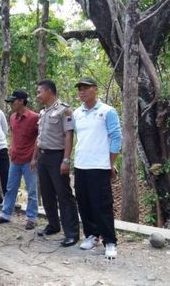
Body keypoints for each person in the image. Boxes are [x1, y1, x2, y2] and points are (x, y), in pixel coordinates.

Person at [72, 77, 122, 259]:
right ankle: (92, 236)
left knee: (102, 205)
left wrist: (110, 163)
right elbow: (80, 136)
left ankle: (110, 241)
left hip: (99, 166)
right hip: (80, 165)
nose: (81, 91)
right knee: (84, 203)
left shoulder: (107, 111)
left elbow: (116, 137)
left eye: (85, 88)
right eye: (79, 88)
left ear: (95, 89)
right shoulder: (77, 113)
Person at [31, 80, 80, 247]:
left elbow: (68, 135)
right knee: (46, 193)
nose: (37, 95)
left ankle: (72, 233)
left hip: (57, 157)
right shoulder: (43, 112)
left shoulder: (64, 110)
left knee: (64, 195)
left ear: (49, 92)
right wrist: (35, 158)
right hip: (43, 157)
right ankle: (53, 225)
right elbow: (39, 138)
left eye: (39, 92)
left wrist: (66, 159)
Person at [0, 90, 39, 229]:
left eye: (13, 101)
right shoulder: (12, 117)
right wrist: (12, 148)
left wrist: (35, 157)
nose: (11, 104)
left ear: (22, 101)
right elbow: (12, 133)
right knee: (10, 188)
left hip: (29, 160)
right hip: (15, 160)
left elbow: (39, 139)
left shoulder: (35, 117)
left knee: (32, 190)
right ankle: (5, 214)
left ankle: (31, 217)